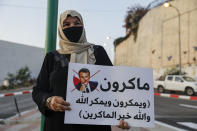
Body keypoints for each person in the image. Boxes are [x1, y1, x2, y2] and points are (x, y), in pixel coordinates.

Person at [32, 10, 130, 131]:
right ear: (61, 29)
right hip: (59, 125)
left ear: (83, 26)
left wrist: (122, 114)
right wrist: (48, 101)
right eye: (67, 24)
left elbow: (114, 87)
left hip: (94, 126)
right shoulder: (52, 57)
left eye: (76, 23)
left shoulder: (97, 52)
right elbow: (38, 90)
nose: (72, 27)